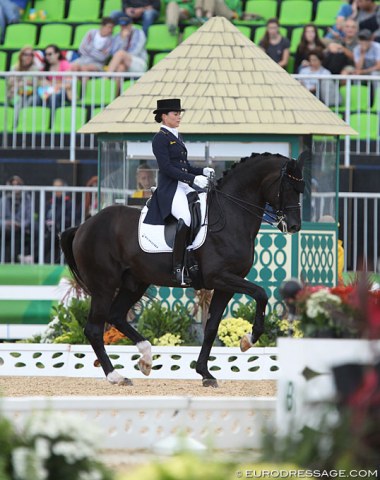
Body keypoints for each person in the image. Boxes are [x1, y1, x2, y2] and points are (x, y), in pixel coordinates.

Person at [144, 98, 214, 284]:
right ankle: (178, 267)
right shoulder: (160, 139)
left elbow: (185, 165)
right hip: (170, 189)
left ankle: (194, 257)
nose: (179, 117)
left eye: (179, 113)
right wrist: (192, 179)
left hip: (184, 185)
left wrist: (202, 171)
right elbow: (166, 168)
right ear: (164, 116)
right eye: (175, 114)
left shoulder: (176, 136)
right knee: (187, 218)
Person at [0, 175, 33, 263]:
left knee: (18, 235)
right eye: (13, 184)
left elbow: (29, 218)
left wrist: (20, 224)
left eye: (17, 184)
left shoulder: (27, 199)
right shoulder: (4, 199)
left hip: (20, 228)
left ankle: (9, 260)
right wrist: (6, 223)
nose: (15, 187)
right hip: (5, 228)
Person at [7, 46, 42, 120]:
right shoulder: (14, 68)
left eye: (31, 55)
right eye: (26, 54)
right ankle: (15, 124)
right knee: (17, 99)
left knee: (33, 99)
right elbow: (11, 82)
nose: (28, 57)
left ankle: (22, 123)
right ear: (21, 56)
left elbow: (36, 83)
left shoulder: (35, 68)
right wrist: (25, 83)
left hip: (30, 94)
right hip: (16, 94)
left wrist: (20, 83)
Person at [44, 178, 73, 263]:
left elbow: (70, 218)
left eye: (59, 187)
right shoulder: (49, 203)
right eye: (55, 187)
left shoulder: (68, 203)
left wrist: (57, 223)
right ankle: (35, 259)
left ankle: (34, 258)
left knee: (53, 237)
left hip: (63, 230)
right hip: (49, 231)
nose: (57, 190)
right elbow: (44, 217)